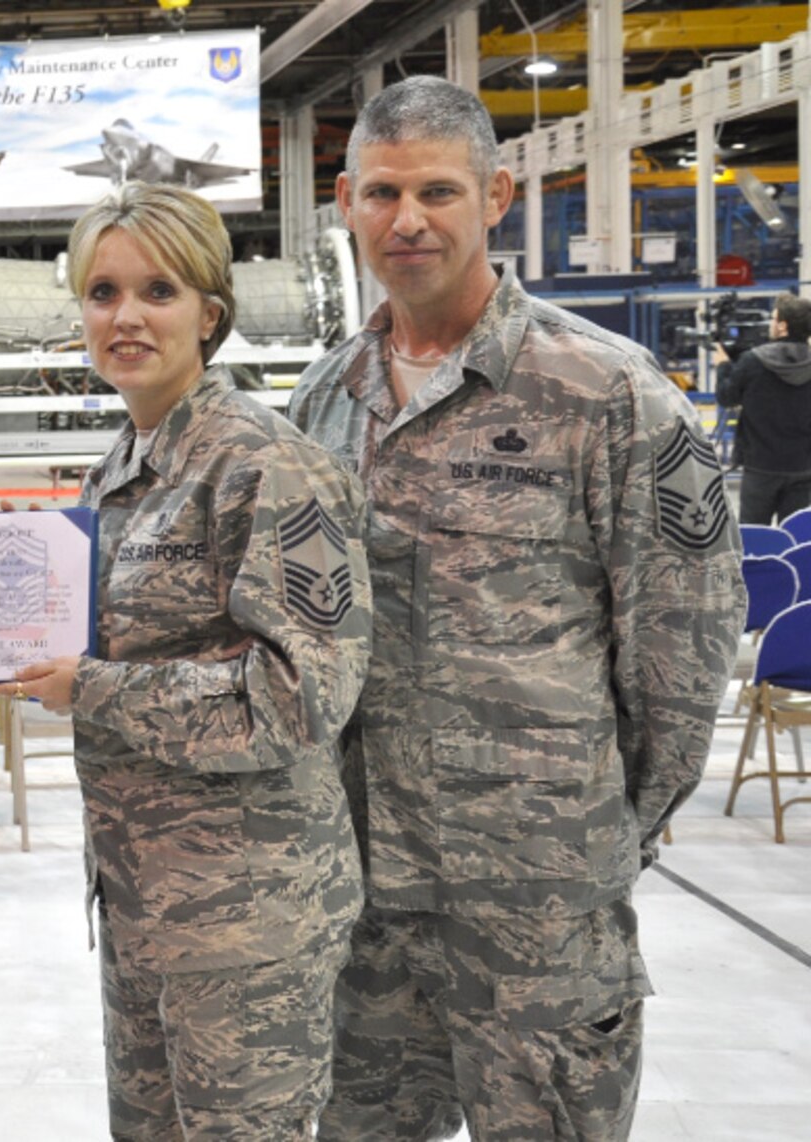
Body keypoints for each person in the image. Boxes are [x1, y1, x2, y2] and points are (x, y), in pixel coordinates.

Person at [289, 76, 745, 1140]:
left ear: (494, 196)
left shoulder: (605, 391)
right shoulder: (318, 402)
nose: (407, 220)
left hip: (536, 904)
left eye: (437, 191)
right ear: (346, 203)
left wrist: (595, 835)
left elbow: (682, 648)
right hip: (360, 901)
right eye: (382, 193)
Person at [0, 182, 370, 1139]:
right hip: (143, 902)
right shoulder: (121, 467)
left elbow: (301, 697)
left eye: (157, 291)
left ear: (210, 312)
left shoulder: (266, 465)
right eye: (102, 292)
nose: (126, 316)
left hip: (249, 921)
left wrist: (92, 688)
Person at [714, 293, 811, 524]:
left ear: (783, 326)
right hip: (803, 466)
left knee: (755, 537)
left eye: (774, 319)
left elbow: (726, 397)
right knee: (795, 535)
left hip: (760, 466)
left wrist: (723, 366)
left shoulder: (752, 361)